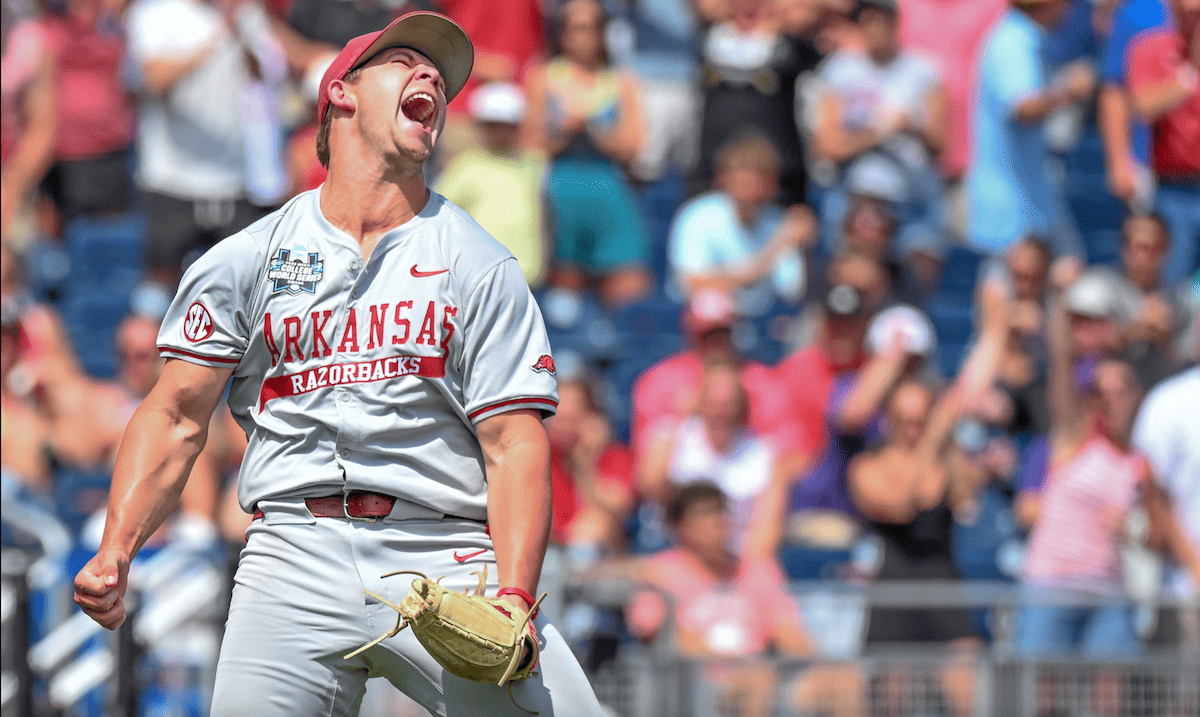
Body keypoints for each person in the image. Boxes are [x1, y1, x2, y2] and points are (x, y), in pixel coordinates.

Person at [73, 12, 605, 716]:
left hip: (442, 546)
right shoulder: (246, 258)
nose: (431, 78)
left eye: (439, 75)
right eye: (404, 62)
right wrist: (117, 547)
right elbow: (173, 414)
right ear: (341, 93)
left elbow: (513, 443)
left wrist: (513, 595)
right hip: (290, 549)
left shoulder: (480, 263)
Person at [626, 481, 866, 717]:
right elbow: (663, 634)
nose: (715, 522)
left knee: (844, 681)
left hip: (765, 673)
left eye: (719, 511)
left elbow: (788, 631)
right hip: (692, 682)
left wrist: (821, 664)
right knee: (755, 681)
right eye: (703, 515)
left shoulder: (755, 569)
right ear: (680, 526)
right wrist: (733, 663)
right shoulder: (659, 572)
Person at [524, 0, 651, 307]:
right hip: (559, 190)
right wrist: (564, 130)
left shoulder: (622, 81)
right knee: (566, 290)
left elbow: (634, 148)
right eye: (579, 27)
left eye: (595, 27)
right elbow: (530, 144)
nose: (587, 35)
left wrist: (593, 128)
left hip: (608, 187)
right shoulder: (543, 77)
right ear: (563, 33)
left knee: (629, 286)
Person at [813, 0, 949, 263]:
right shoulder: (840, 71)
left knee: (919, 270)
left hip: (911, 198)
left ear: (894, 22)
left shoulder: (924, 71)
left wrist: (911, 127)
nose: (873, 28)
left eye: (880, 19)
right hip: (857, 197)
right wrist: (880, 131)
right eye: (866, 20)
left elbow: (939, 143)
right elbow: (827, 147)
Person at [966, 0, 1091, 260]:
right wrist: (1070, 89)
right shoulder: (1014, 42)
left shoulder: (1022, 38)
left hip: (1030, 205)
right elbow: (1023, 108)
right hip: (1013, 211)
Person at [668, 131, 815, 317]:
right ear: (723, 179)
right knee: (711, 303)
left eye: (758, 183)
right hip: (707, 325)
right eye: (744, 183)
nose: (750, 193)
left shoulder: (779, 222)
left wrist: (806, 249)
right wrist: (772, 251)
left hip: (764, 324)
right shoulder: (698, 216)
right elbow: (692, 283)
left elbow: (792, 291)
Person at [436, 82, 548, 286]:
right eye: (492, 125)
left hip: (528, 279)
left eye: (507, 125)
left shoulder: (535, 164)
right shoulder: (465, 165)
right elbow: (440, 217)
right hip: (479, 279)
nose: (500, 132)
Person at [1126, 0, 1200, 285]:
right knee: (1172, 287)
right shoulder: (1149, 48)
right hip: (1174, 190)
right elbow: (1143, 107)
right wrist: (1190, 72)